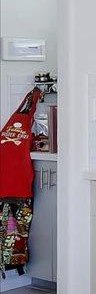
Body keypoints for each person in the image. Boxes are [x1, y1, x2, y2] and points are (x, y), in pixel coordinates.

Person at [0, 87, 44, 275]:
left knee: (9, 230)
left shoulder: (9, 128)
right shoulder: (25, 124)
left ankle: (11, 263)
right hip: (20, 192)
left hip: (6, 190)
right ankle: (14, 262)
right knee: (17, 230)